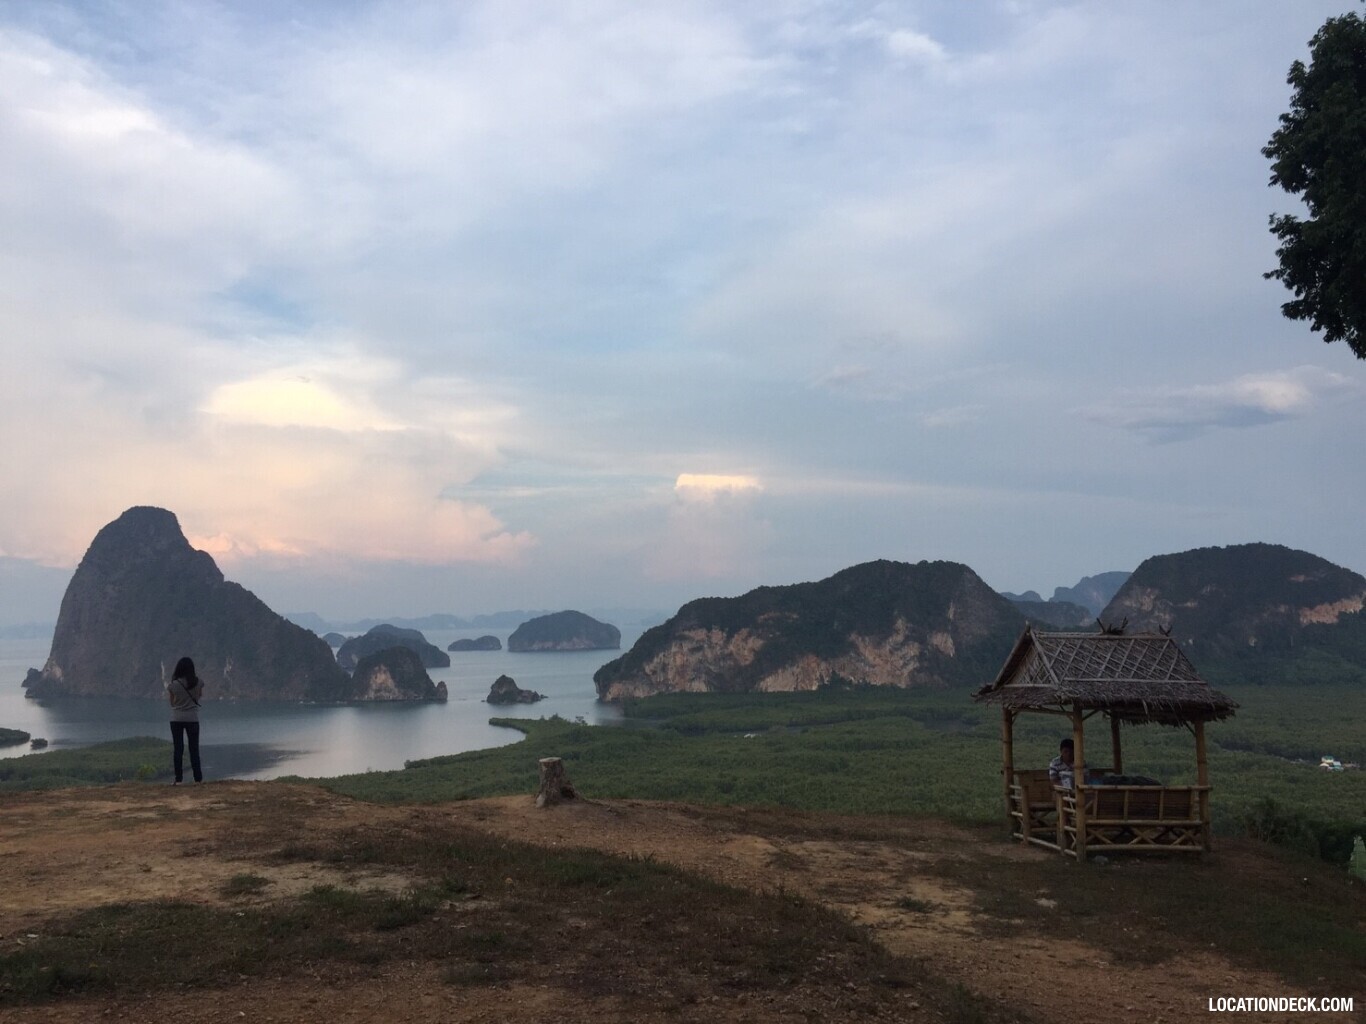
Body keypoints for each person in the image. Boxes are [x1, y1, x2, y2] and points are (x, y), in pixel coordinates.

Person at [167, 656, 204, 784]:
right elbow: (198, 697)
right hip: (192, 719)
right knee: (194, 749)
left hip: (176, 719)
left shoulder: (173, 685)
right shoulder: (198, 682)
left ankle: (178, 780)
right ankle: (198, 779)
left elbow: (172, 703)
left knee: (178, 749)